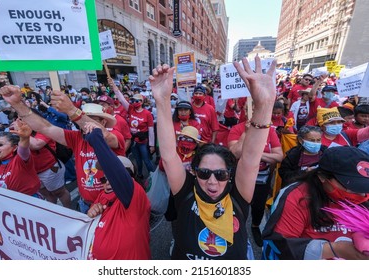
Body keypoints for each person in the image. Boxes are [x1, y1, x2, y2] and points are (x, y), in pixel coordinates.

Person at [151, 56, 277, 259]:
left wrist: (265, 106)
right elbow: (168, 155)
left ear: (229, 174)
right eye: (203, 173)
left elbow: (251, 160)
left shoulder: (237, 195)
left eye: (220, 174)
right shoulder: (186, 192)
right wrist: (163, 101)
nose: (211, 181)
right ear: (193, 171)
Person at [0, 85, 119, 213]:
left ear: (104, 123)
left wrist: (72, 110)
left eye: (91, 120)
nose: (84, 125)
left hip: (111, 204)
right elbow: (45, 128)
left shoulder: (116, 137)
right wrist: (17, 104)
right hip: (85, 204)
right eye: (83, 121)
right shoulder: (76, 137)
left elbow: (105, 136)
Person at [262, 146, 369, 260]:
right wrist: (335, 250)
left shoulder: (364, 197)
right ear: (322, 177)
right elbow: (280, 244)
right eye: (351, 186)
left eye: (365, 186)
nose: (361, 194)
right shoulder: (297, 197)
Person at [85, 126, 151, 260]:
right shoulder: (102, 195)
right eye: (105, 178)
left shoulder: (135, 196)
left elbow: (117, 174)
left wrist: (96, 139)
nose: (108, 182)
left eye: (113, 178)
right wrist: (91, 213)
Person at [227, 119, 283, 247]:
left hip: (262, 178)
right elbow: (234, 154)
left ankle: (255, 226)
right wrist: (246, 133)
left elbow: (279, 156)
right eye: (251, 108)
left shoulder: (269, 130)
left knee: (258, 207)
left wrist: (254, 154)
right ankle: (234, 229)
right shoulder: (237, 129)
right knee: (237, 206)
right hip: (240, 177)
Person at [0, 121, 41, 196]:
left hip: (28, 203)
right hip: (5, 204)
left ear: (14, 147)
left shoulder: (20, 160)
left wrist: (24, 138)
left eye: (0, 144)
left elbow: (23, 149)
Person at [112, 79, 155, 180]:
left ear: (141, 102)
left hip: (143, 141)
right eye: (133, 100)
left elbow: (151, 130)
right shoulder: (130, 108)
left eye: (137, 101)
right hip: (133, 141)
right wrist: (114, 87)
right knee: (137, 161)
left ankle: (154, 177)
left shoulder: (147, 113)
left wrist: (152, 145)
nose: (134, 102)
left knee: (146, 160)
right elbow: (121, 99)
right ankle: (139, 175)